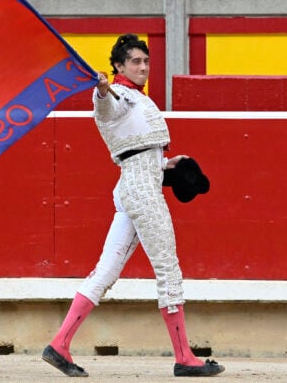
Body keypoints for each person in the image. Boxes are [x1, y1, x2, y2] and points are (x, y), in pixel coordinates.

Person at [43, 33, 224, 379]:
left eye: (146, 62)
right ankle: (184, 356)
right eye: (135, 62)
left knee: (106, 271)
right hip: (141, 191)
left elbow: (140, 151)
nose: (143, 67)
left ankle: (60, 344)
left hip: (135, 184)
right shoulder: (119, 96)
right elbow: (108, 106)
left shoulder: (139, 100)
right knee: (168, 269)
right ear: (118, 67)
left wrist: (168, 165)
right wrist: (101, 88)